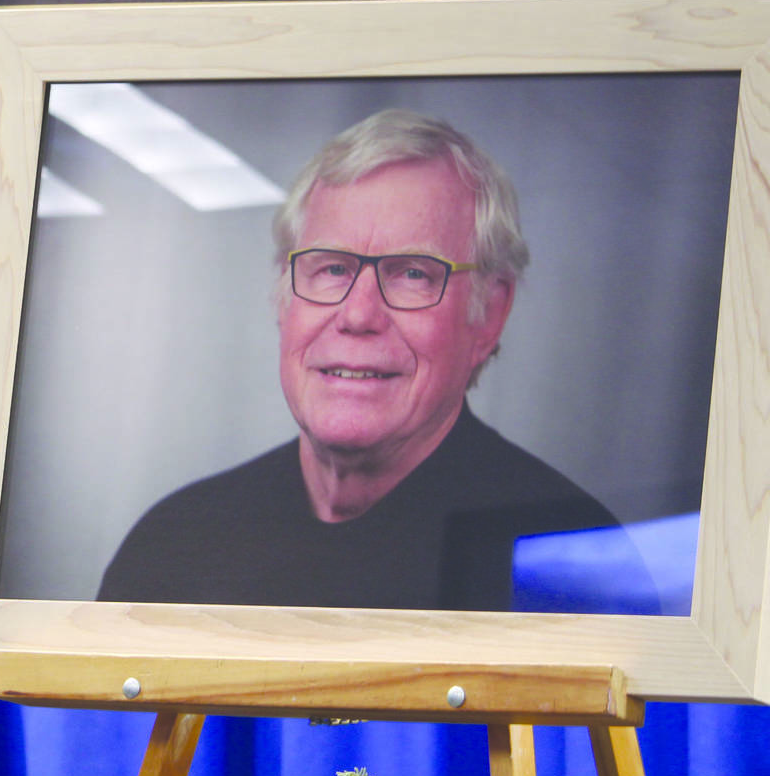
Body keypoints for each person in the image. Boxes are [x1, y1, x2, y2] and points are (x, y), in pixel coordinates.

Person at [98, 109, 627, 611]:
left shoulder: (566, 568)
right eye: (331, 269)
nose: (358, 314)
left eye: (413, 273)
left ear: (489, 314)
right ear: (283, 294)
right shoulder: (173, 547)